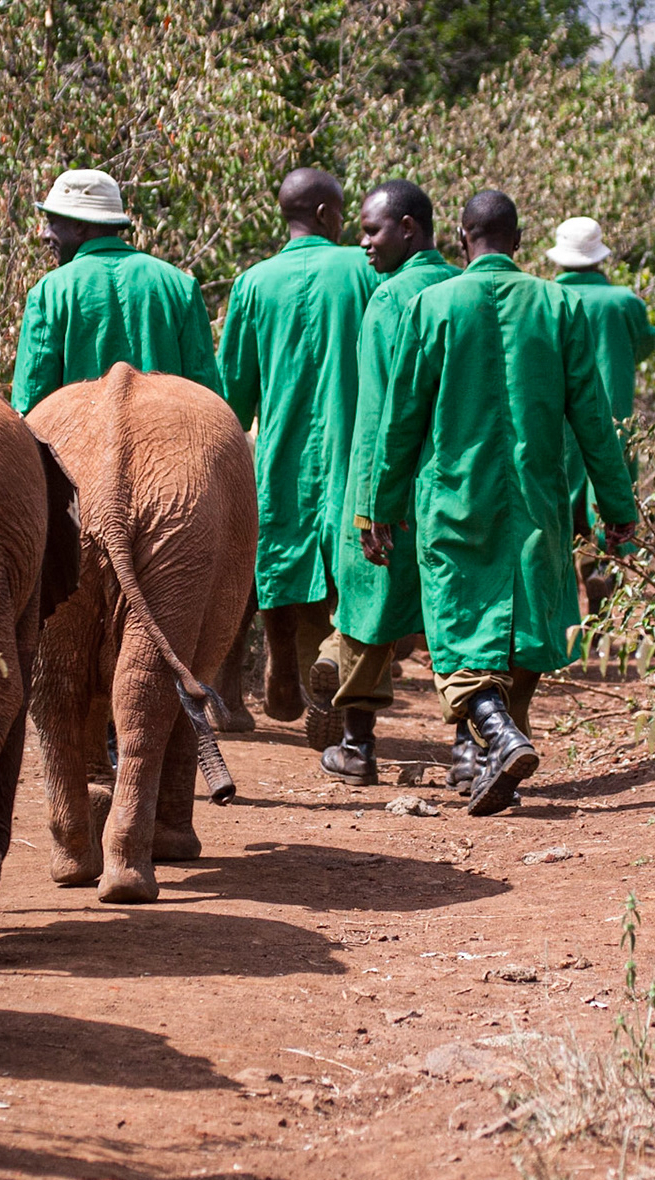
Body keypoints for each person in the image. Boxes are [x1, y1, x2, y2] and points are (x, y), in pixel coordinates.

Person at [360, 191, 637, 816]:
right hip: (535, 499)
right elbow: (593, 417)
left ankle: (497, 733)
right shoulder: (559, 304)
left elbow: (401, 419)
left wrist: (379, 505)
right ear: (518, 241)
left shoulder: (433, 304)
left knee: (460, 626)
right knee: (524, 625)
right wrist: (614, 503)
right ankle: (485, 752)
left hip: (453, 497)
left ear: (462, 239)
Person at [218, 168, 377, 749]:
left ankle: (283, 660)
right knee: (350, 570)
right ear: (329, 215)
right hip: (350, 452)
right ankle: (334, 682)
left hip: (277, 453)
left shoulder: (254, 284)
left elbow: (232, 394)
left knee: (278, 556)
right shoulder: (364, 271)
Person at [320, 179, 458, 786]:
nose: (366, 246)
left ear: (408, 227)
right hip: (453, 483)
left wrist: (372, 505)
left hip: (390, 487)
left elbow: (377, 414)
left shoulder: (390, 299)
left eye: (373, 231)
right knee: (454, 612)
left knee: (367, 606)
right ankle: (468, 753)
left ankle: (357, 747)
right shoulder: (462, 289)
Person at [11, 168, 223, 415]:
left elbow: (31, 403)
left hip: (75, 450)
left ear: (79, 225)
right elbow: (207, 396)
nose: (45, 235)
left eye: (51, 223)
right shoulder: (179, 286)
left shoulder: (50, 293)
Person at [546, 216, 655, 615]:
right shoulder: (626, 303)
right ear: (599, 255)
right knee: (608, 500)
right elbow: (645, 346)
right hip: (614, 421)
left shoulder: (547, 297)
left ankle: (561, 611)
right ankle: (604, 580)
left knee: (560, 505)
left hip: (560, 424)